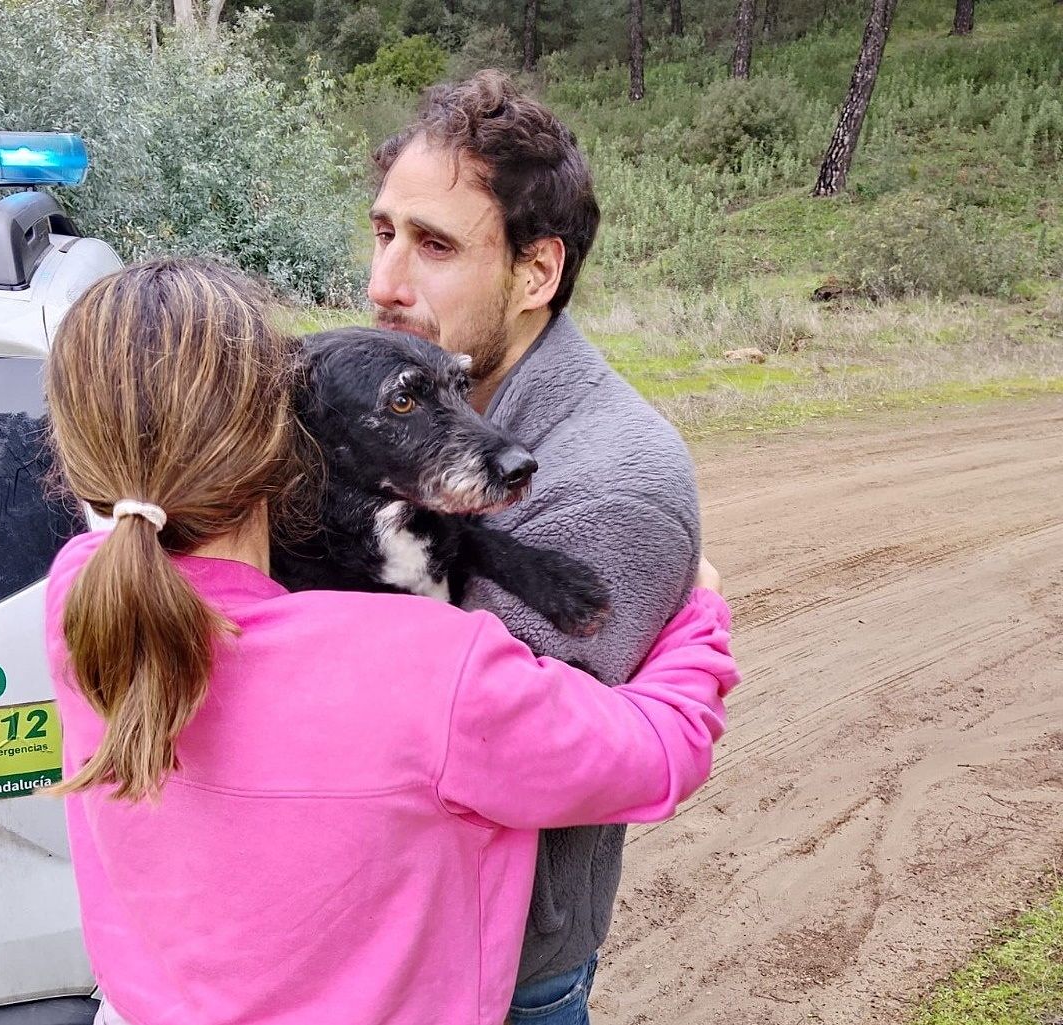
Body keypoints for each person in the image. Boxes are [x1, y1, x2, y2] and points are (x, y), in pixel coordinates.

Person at [44, 258, 738, 1025]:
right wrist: (699, 611)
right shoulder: (425, 665)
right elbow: (657, 753)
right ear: (286, 435)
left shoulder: (79, 599)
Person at [368, 71, 705, 1021]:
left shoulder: (610, 480)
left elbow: (461, 744)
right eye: (383, 231)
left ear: (536, 272)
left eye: (432, 245)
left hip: (493, 976)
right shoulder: (408, 410)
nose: (383, 284)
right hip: (376, 952)